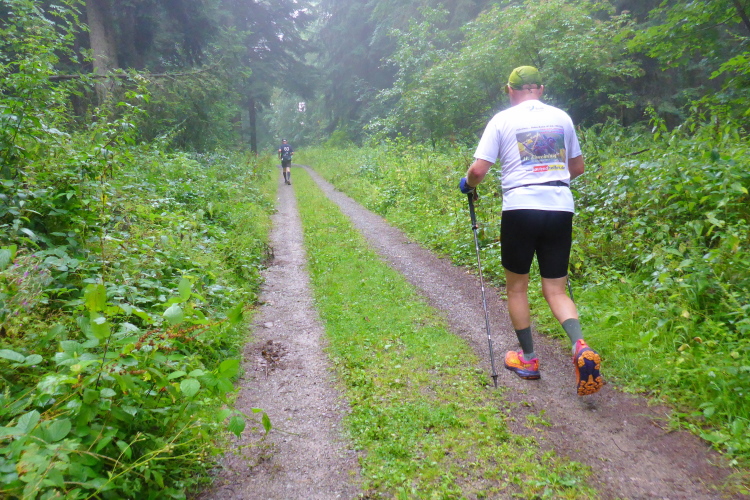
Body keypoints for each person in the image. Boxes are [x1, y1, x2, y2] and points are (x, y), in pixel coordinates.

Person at [459, 66, 603, 396]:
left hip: (520, 208)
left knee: (517, 288)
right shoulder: (562, 118)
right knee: (556, 290)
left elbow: (478, 171)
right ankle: (580, 346)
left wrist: (467, 185)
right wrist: (549, 176)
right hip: (559, 207)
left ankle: (528, 360)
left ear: (510, 90)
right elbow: (578, 167)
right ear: (540, 89)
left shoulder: (502, 120)